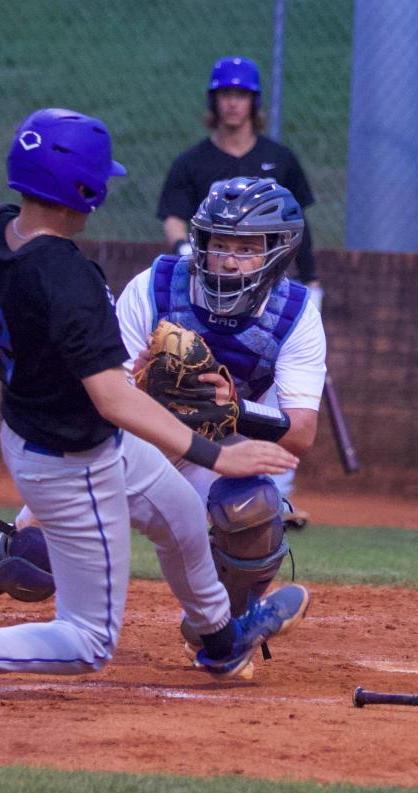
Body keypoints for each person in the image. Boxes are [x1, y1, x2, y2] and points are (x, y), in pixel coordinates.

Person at [0, 109, 310, 696]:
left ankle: (220, 645)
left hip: (38, 428)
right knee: (86, 641)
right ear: (85, 192)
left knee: (180, 517)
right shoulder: (72, 279)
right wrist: (219, 456)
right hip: (74, 457)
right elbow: (113, 400)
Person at [157, 55, 321, 522]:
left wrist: (307, 286)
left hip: (276, 290)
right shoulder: (193, 161)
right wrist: (189, 257)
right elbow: (174, 216)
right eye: (225, 94)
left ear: (254, 102)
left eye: (241, 94)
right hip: (201, 286)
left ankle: (275, 492)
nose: (233, 103)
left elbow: (298, 226)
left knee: (269, 394)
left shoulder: (279, 157)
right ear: (215, 101)